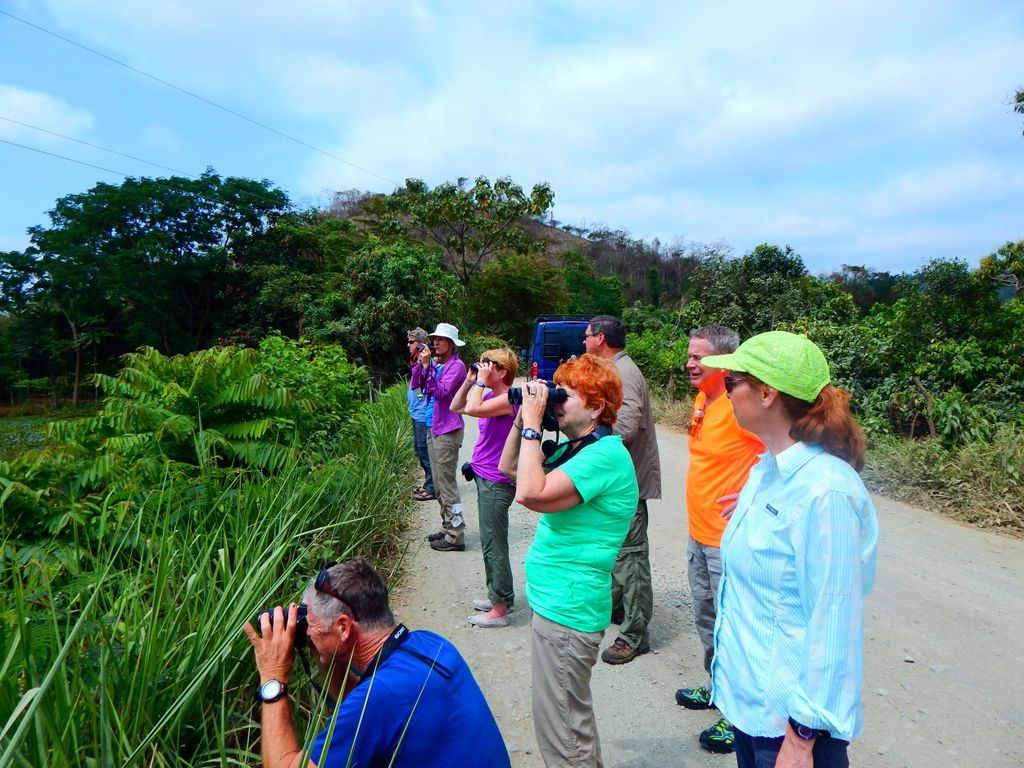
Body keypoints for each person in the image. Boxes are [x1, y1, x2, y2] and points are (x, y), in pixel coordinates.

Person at [701, 331, 879, 768]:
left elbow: (835, 619)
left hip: (789, 733)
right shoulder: (768, 470)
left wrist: (802, 739)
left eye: (731, 383)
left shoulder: (825, 491)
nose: (726, 394)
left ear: (767, 394)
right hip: (752, 712)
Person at [499, 354, 639, 767]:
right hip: (557, 604)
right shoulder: (578, 450)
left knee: (564, 736)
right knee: (564, 723)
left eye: (565, 397)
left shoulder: (605, 456)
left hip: (568, 611)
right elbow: (510, 468)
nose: (555, 403)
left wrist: (532, 423)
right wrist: (522, 417)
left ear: (596, 408)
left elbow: (530, 494)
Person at [242, 556, 511, 768]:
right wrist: (326, 652)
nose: (308, 632)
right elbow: (358, 705)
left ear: (344, 627)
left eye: (311, 623)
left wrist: (273, 676)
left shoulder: (379, 699)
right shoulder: (432, 644)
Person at [675, 325, 765, 755]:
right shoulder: (702, 400)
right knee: (707, 619)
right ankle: (717, 688)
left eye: (700, 357)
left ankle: (738, 715)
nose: (690, 363)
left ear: (724, 363)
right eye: (690, 355)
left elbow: (782, 451)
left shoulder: (739, 405)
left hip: (728, 540)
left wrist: (755, 494)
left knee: (734, 628)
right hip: (699, 533)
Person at [583, 315, 661, 665]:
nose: (584, 341)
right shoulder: (614, 369)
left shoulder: (624, 373)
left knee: (631, 557)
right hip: (616, 482)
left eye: (587, 336)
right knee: (617, 552)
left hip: (625, 485)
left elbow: (625, 427)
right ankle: (619, 609)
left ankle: (635, 635)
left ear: (600, 338)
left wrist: (586, 435)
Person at [450, 347, 520, 628]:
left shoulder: (509, 400)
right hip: (485, 476)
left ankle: (500, 609)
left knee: (494, 544)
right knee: (490, 541)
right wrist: (470, 380)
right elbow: (457, 407)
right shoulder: (491, 396)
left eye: (487, 364)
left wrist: (479, 382)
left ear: (501, 372)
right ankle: (499, 596)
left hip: (496, 481)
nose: (482, 367)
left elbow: (473, 409)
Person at [412, 322, 468, 552]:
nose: (435, 342)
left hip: (448, 430)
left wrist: (428, 367)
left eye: (441, 339)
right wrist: (421, 364)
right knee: (437, 484)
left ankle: (456, 535)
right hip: (433, 427)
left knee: (447, 485)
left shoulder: (457, 367)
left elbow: (442, 392)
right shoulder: (438, 364)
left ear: (451, 344)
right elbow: (417, 384)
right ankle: (447, 527)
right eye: (434, 339)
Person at [406, 327, 435, 501]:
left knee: (424, 450)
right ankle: (428, 483)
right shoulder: (416, 362)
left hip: (423, 415)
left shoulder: (427, 363)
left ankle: (433, 487)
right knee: (419, 449)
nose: (408, 345)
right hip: (416, 413)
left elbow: (426, 387)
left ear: (421, 345)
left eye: (412, 342)